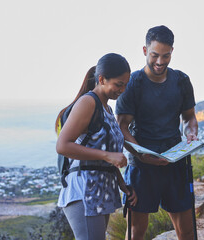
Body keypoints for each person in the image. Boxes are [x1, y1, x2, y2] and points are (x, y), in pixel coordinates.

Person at [116, 25, 198, 240]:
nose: (160, 62)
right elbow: (122, 126)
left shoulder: (181, 81)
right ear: (145, 51)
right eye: (154, 55)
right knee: (136, 232)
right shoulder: (133, 84)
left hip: (176, 163)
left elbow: (189, 117)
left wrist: (191, 134)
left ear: (172, 52)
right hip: (142, 167)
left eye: (166, 56)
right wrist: (141, 154)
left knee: (187, 231)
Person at [56, 53, 137, 240]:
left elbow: (106, 156)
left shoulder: (107, 109)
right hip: (83, 190)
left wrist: (122, 184)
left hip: (100, 191)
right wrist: (107, 156)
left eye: (126, 84)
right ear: (101, 79)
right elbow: (62, 145)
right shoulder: (88, 102)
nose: (123, 90)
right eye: (118, 84)